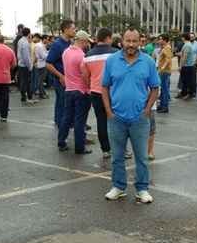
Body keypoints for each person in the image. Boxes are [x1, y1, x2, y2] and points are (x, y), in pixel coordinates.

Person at [101, 28, 160, 203]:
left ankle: (142, 189)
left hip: (139, 119)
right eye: (128, 41)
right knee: (117, 157)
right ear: (122, 41)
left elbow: (155, 88)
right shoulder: (112, 61)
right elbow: (104, 87)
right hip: (116, 118)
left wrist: (147, 110)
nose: (131, 45)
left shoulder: (147, 61)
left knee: (141, 157)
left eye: (135, 41)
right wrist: (109, 112)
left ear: (140, 42)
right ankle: (119, 187)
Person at [82, 28, 116, 158]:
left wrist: (90, 86)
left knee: (101, 121)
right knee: (116, 122)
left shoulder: (88, 55)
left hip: (96, 92)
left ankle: (105, 150)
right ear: (108, 38)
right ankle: (119, 149)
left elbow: (85, 76)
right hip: (113, 92)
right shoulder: (115, 54)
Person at [58, 30, 93, 154]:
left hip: (69, 89)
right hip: (81, 91)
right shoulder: (82, 56)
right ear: (82, 41)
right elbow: (84, 75)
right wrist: (89, 87)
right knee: (80, 121)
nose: (87, 44)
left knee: (66, 117)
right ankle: (79, 147)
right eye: (87, 41)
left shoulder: (66, 52)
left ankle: (61, 142)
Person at [46, 20, 76, 127]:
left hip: (70, 79)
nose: (74, 31)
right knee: (62, 102)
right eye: (73, 28)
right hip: (61, 79)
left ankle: (68, 121)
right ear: (66, 29)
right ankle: (61, 122)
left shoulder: (70, 43)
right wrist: (60, 76)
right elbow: (48, 64)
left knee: (68, 102)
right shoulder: (57, 44)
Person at [155, 34, 173, 113]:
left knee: (164, 89)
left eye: (160, 39)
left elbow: (168, 59)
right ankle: (162, 105)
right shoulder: (164, 48)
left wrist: (162, 67)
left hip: (164, 72)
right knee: (163, 88)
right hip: (163, 71)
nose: (159, 40)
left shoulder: (167, 48)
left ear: (164, 40)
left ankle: (164, 106)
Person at [176, 33, 197, 99]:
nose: (181, 38)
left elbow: (184, 57)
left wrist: (180, 66)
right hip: (187, 65)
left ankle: (189, 94)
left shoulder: (187, 45)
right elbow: (182, 54)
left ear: (184, 38)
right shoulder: (186, 45)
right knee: (184, 80)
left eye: (182, 37)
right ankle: (183, 93)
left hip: (187, 66)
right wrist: (176, 53)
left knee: (187, 81)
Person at [16, 27, 34, 103]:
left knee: (23, 81)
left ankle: (23, 97)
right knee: (27, 82)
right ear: (29, 33)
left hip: (20, 63)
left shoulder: (20, 41)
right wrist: (30, 66)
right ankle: (28, 98)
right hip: (25, 65)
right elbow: (26, 57)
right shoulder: (26, 43)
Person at [31, 33, 48, 99]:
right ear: (43, 39)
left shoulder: (39, 45)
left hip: (39, 64)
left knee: (39, 80)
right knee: (40, 81)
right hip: (41, 64)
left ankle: (42, 92)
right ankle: (41, 93)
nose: (47, 41)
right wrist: (49, 54)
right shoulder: (40, 46)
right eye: (47, 39)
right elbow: (43, 56)